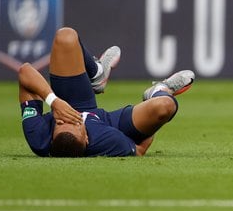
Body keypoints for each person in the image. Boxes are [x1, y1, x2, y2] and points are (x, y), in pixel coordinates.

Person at [18, 27, 195, 157]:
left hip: (70, 100)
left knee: (65, 36)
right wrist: (151, 121)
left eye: (61, 121)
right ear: (86, 139)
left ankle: (97, 73)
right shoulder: (105, 142)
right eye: (75, 122)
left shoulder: (39, 137)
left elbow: (25, 73)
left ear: (52, 136)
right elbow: (140, 150)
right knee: (165, 107)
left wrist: (54, 102)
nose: (70, 117)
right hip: (113, 123)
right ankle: (159, 90)